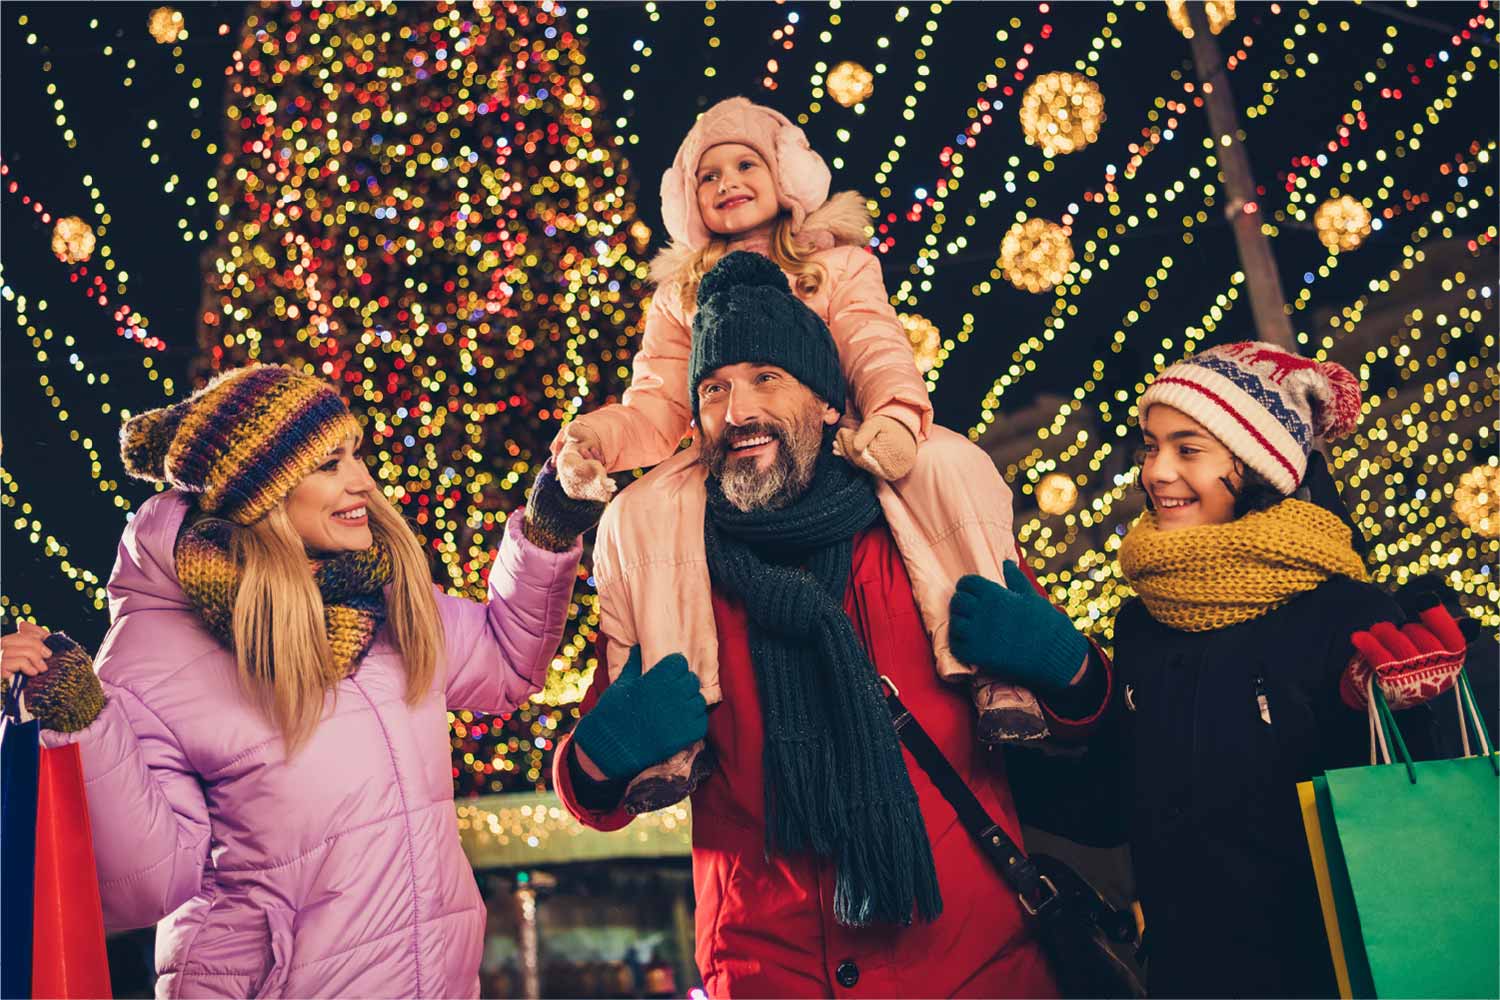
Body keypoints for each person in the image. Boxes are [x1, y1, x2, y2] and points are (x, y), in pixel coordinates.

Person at [553, 257, 1111, 997]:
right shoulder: (670, 568)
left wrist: (1066, 666)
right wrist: (599, 755)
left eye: (766, 377)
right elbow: (596, 797)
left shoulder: (923, 535)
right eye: (713, 389)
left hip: (974, 964)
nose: (738, 410)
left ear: (825, 403)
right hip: (770, 972)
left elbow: (1083, 723)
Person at [0, 364, 602, 999]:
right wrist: (80, 725)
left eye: (356, 455)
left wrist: (545, 533)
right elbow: (145, 884)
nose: (363, 482)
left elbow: (506, 664)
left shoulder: (379, 595)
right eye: (330, 464)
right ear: (262, 492)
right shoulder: (155, 655)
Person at [552, 97, 1050, 792]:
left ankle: (994, 664)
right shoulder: (678, 298)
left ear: (785, 175)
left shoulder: (835, 264)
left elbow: (875, 344)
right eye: (708, 175)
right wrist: (598, 439)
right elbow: (660, 402)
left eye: (745, 164)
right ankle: (673, 708)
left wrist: (897, 417)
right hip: (722, 452)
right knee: (639, 513)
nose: (727, 182)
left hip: (835, 434)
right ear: (688, 200)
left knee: (950, 461)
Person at [957, 341, 1466, 997]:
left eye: (1188, 449)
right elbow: (1114, 809)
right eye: (1150, 445)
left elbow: (1406, 817)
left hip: (1331, 977)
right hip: (1188, 977)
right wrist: (990, 745)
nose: (1156, 472)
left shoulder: (1343, 609)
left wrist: (1372, 709)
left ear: (1254, 464)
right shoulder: (1143, 620)